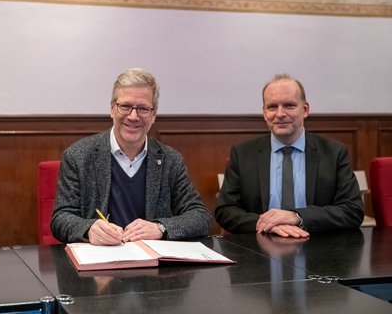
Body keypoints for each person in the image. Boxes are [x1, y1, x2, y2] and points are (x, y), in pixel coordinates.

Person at [50, 68, 212, 245]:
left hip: (155, 265)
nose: (133, 117)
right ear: (112, 108)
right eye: (125, 106)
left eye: (143, 108)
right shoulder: (78, 155)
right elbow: (60, 218)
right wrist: (89, 229)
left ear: (153, 115)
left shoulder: (170, 160)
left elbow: (200, 216)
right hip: (100, 263)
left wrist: (160, 227)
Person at [215, 73, 364, 238]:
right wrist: (268, 224)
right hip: (260, 248)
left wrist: (297, 217)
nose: (280, 114)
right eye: (272, 107)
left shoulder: (334, 152)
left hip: (319, 250)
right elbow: (225, 210)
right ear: (264, 113)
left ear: (305, 110)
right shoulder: (242, 154)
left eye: (289, 105)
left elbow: (352, 210)